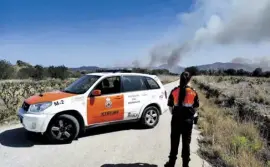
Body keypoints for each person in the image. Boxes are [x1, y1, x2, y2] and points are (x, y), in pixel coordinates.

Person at [164, 71, 199, 167]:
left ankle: (171, 163)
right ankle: (185, 164)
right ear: (189, 80)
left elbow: (170, 106)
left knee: (174, 142)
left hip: (176, 120)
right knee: (186, 143)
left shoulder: (174, 91)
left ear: (180, 79)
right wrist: (190, 115)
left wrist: (174, 113)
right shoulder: (193, 92)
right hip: (188, 122)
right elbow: (196, 107)